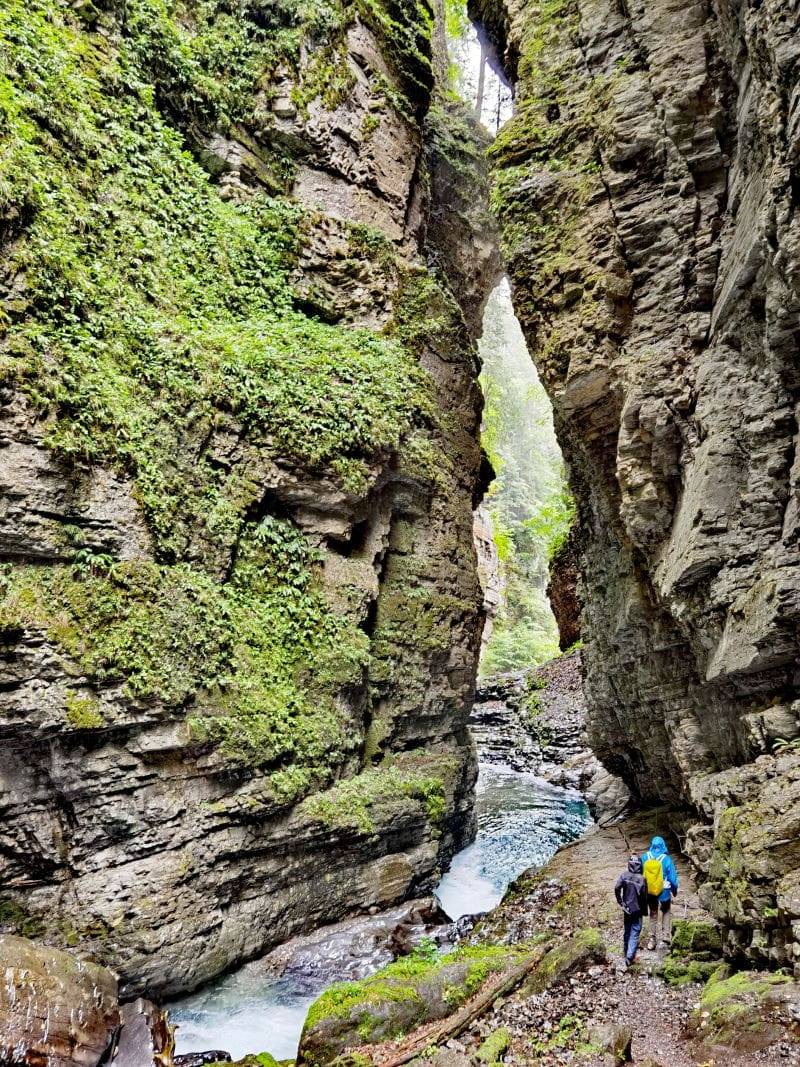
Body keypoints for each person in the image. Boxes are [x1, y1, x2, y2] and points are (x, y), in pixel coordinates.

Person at [641, 835, 679, 949]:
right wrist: (674, 890)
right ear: (663, 845)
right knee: (666, 910)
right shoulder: (666, 859)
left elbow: (640, 874)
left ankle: (652, 939)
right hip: (664, 891)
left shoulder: (645, 857)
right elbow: (672, 879)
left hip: (650, 890)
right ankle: (666, 936)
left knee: (653, 912)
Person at [614, 854, 648, 968]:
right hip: (637, 910)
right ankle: (629, 958)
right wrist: (644, 911)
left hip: (626, 908)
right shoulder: (642, 879)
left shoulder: (624, 875)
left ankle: (626, 951)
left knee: (627, 930)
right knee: (635, 932)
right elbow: (644, 898)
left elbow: (616, 888)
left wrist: (621, 902)